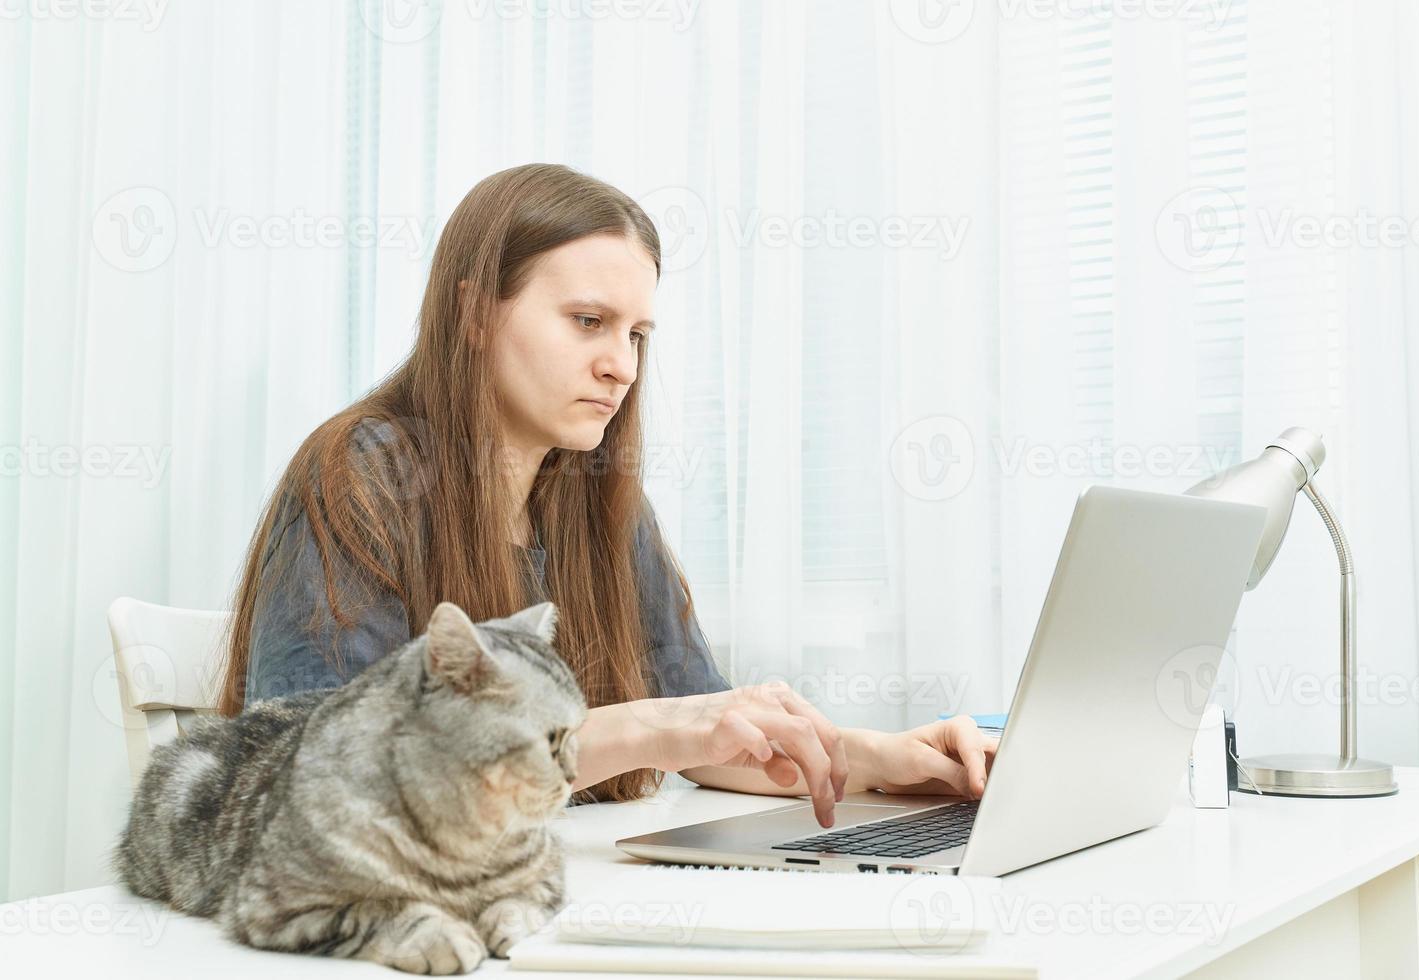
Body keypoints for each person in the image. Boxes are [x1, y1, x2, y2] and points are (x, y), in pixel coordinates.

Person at [216, 163, 995, 828]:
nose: (621, 366)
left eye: (636, 335)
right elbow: (316, 779)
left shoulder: (601, 504)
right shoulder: (362, 475)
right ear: (474, 314)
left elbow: (716, 737)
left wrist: (885, 759)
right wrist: (652, 727)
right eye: (589, 321)